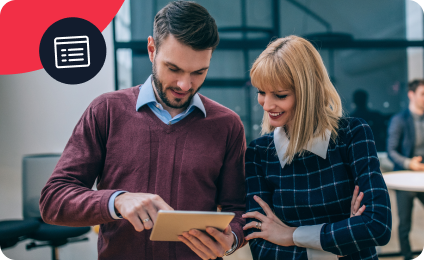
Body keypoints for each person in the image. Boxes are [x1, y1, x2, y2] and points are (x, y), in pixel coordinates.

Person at [39, 2, 246, 259]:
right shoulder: (106, 110)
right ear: (151, 49)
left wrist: (232, 238)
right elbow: (53, 200)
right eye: (174, 69)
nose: (185, 84)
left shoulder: (227, 125)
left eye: (199, 72)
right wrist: (116, 201)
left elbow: (238, 209)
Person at [243, 35, 392, 259]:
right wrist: (344, 243)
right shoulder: (258, 154)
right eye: (261, 92)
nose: (267, 104)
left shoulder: (352, 134)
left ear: (308, 92)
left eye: (280, 95)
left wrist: (291, 235)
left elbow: (377, 227)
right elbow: (262, 248)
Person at [387, 79, 424, 260]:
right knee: (405, 224)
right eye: (422, 94)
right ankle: (407, 257)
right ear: (411, 95)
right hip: (406, 179)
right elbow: (391, 151)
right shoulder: (399, 120)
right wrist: (409, 163)